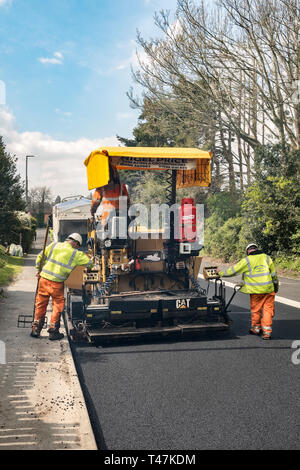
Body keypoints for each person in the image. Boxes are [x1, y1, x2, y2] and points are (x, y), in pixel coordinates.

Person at [31, 233, 93, 341]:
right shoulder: (75, 253)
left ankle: (36, 329)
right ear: (75, 243)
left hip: (43, 279)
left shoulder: (54, 245)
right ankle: (53, 331)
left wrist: (38, 269)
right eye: (77, 246)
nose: (77, 248)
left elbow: (40, 256)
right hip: (57, 283)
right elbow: (89, 263)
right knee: (57, 306)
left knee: (40, 304)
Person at [216, 243, 279, 340]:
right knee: (268, 311)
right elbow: (274, 275)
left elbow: (233, 271)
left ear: (248, 251)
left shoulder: (247, 260)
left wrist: (220, 273)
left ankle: (256, 329)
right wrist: (276, 287)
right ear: (256, 249)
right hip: (269, 290)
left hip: (256, 291)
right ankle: (267, 333)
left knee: (256, 310)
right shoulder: (267, 258)